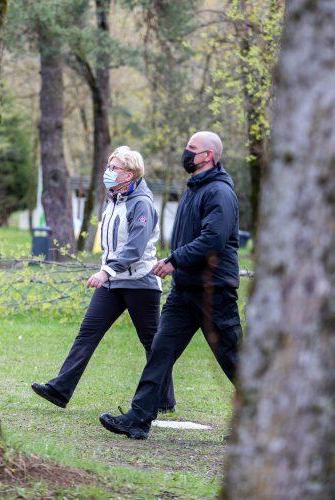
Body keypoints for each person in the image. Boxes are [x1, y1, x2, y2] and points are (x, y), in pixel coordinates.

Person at [99, 131, 243, 439]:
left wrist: (175, 259)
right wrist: (174, 261)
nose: (185, 152)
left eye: (192, 148)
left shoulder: (219, 192)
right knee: (161, 351)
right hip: (185, 288)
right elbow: (192, 237)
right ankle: (138, 419)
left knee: (233, 358)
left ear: (208, 156)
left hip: (212, 289)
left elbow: (213, 240)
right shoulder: (195, 188)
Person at [32, 145, 175, 412]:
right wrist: (109, 272)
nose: (108, 172)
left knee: (152, 342)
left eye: (114, 168)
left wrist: (106, 271)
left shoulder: (141, 203)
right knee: (87, 334)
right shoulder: (114, 198)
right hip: (113, 283)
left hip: (140, 282)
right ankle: (60, 389)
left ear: (129, 174)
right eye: (108, 167)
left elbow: (134, 247)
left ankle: (165, 399)